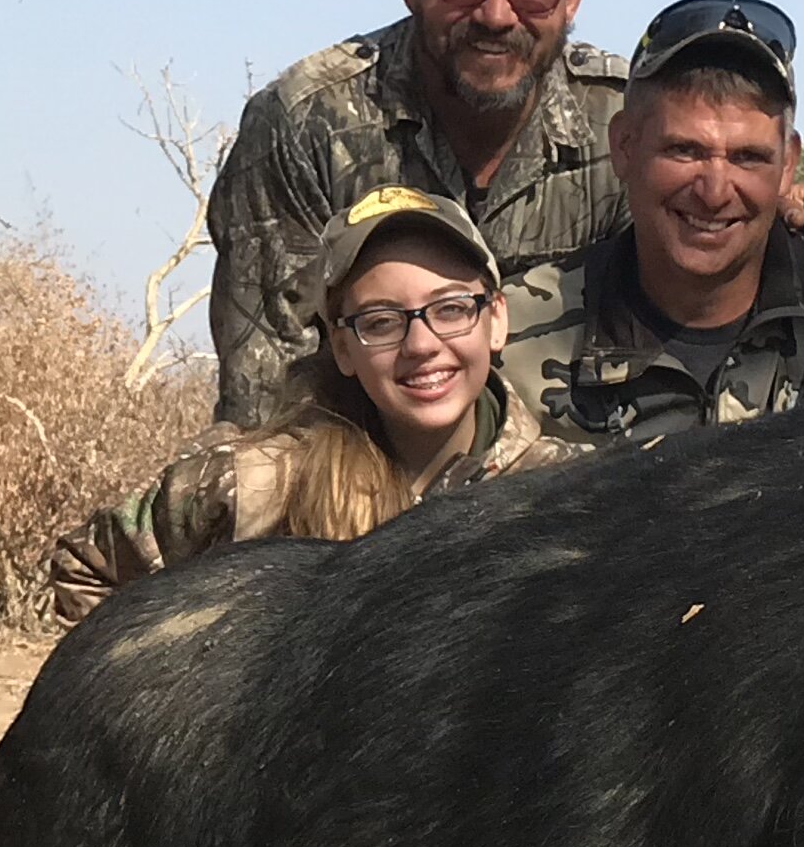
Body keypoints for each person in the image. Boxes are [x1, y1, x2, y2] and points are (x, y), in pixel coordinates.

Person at [201, 0, 804, 425]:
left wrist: (797, 208)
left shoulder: (620, 110)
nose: (496, 14)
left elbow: (701, 238)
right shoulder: (306, 122)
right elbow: (266, 397)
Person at [47, 184, 573, 624]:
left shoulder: (568, 496)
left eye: (452, 309)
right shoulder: (253, 483)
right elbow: (89, 567)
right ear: (341, 346)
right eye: (381, 322)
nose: (422, 345)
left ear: (497, 318)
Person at [513, 0, 804, 444]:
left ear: (788, 165)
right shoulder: (514, 341)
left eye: (748, 157)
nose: (714, 192)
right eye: (684, 150)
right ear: (624, 146)